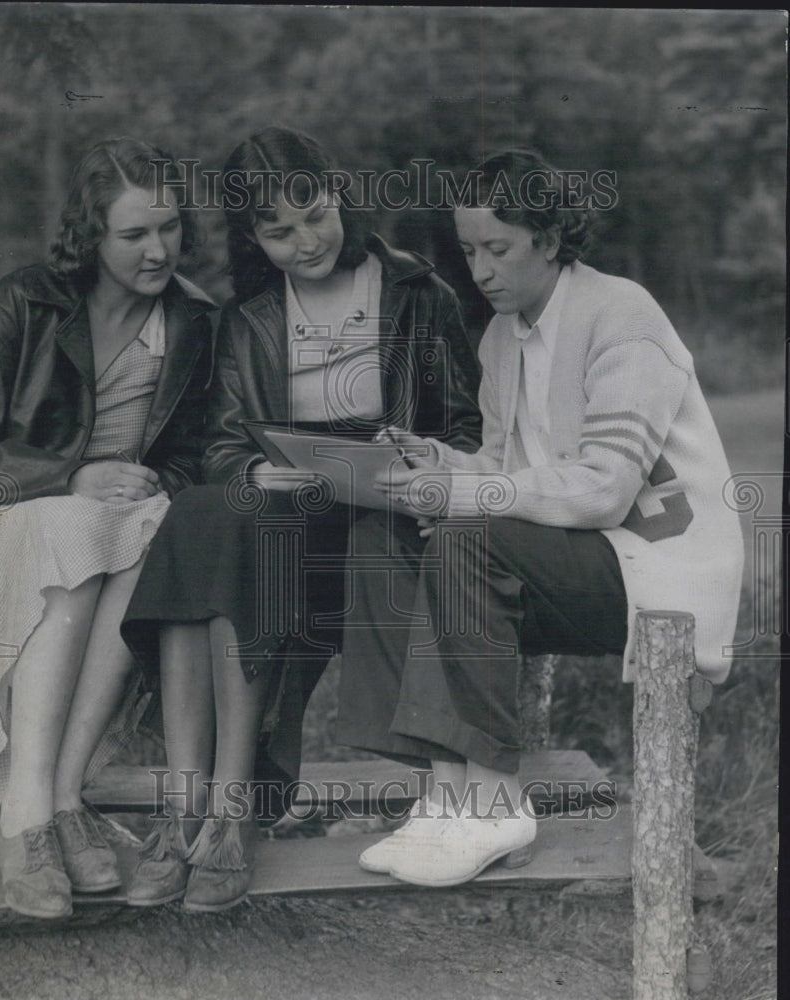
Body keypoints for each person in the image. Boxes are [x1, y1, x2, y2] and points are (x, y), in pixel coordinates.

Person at [334, 149, 744, 887]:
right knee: (381, 531)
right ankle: (444, 789)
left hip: (653, 567)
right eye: (467, 251)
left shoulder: (621, 313)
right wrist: (435, 463)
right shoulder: (502, 336)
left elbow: (603, 490)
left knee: (468, 532)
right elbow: (503, 472)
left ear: (549, 240)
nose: (480, 269)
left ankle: (492, 797)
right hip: (570, 557)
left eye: (498, 248)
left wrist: (462, 497)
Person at [120, 126, 481, 912]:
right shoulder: (248, 316)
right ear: (252, 237)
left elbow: (464, 428)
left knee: (231, 524)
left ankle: (225, 807)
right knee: (208, 511)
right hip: (282, 506)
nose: (305, 242)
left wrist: (423, 464)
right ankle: (196, 811)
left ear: (336, 193)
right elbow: (220, 441)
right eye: (277, 233)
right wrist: (254, 466)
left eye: (314, 215)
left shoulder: (418, 294)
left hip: (378, 522)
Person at [0, 138, 216, 918]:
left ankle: (62, 798)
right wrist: (72, 477)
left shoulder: (194, 321)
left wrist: (146, 486)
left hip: (121, 522)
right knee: (73, 528)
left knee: (155, 539)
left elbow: (192, 453)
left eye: (168, 229)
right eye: (133, 234)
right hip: (2, 520)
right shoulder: (28, 301)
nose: (156, 249)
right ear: (90, 234)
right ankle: (27, 812)